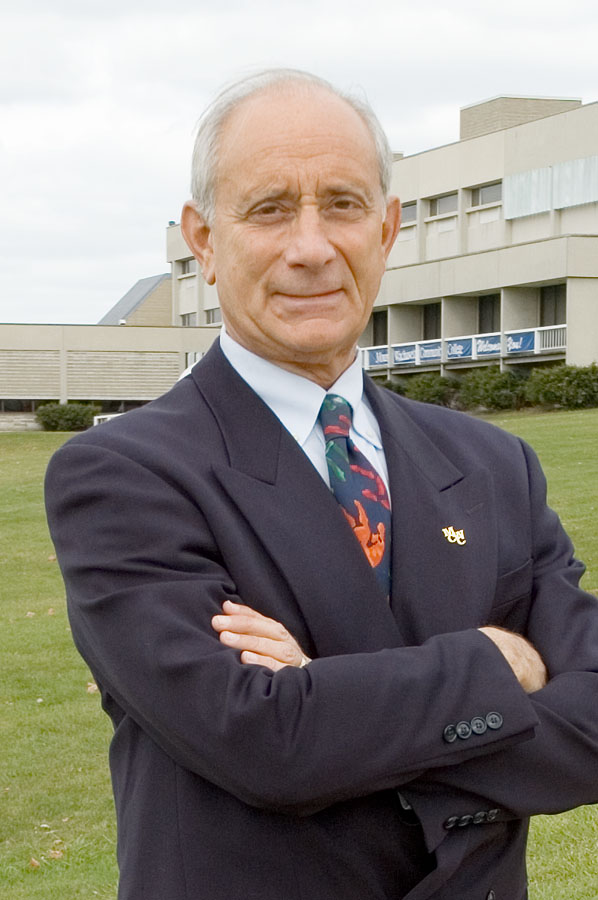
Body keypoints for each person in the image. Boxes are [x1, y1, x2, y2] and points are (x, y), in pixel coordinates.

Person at [44, 69, 598, 900]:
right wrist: (497, 662)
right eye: (270, 209)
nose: (311, 247)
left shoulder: (494, 466)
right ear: (203, 238)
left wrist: (326, 697)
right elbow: (262, 743)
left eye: (341, 204)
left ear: (387, 226)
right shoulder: (123, 476)